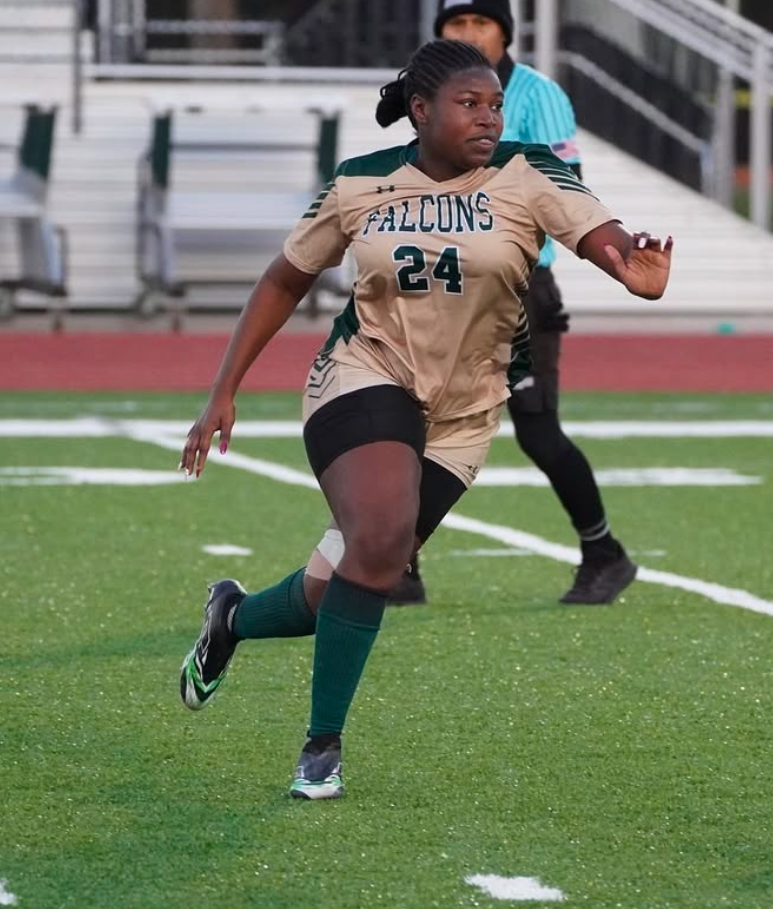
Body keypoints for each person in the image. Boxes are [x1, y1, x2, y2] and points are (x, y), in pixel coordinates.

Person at [177, 39, 673, 801]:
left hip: (465, 413)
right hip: (363, 374)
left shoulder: (528, 170)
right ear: (420, 110)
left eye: (494, 105)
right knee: (377, 549)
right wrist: (223, 389)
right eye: (468, 104)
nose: (487, 116)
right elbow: (283, 278)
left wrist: (631, 267)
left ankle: (231, 618)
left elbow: (600, 236)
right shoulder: (358, 183)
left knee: (342, 581)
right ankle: (321, 746)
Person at [387, 0, 637, 606]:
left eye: (481, 24)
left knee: (537, 430)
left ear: (505, 33)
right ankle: (400, 565)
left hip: (519, 284)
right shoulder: (426, 95)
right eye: (457, 25)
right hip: (442, 280)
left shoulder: (538, 93)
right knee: (411, 422)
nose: (470, 35)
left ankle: (604, 550)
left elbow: (564, 187)